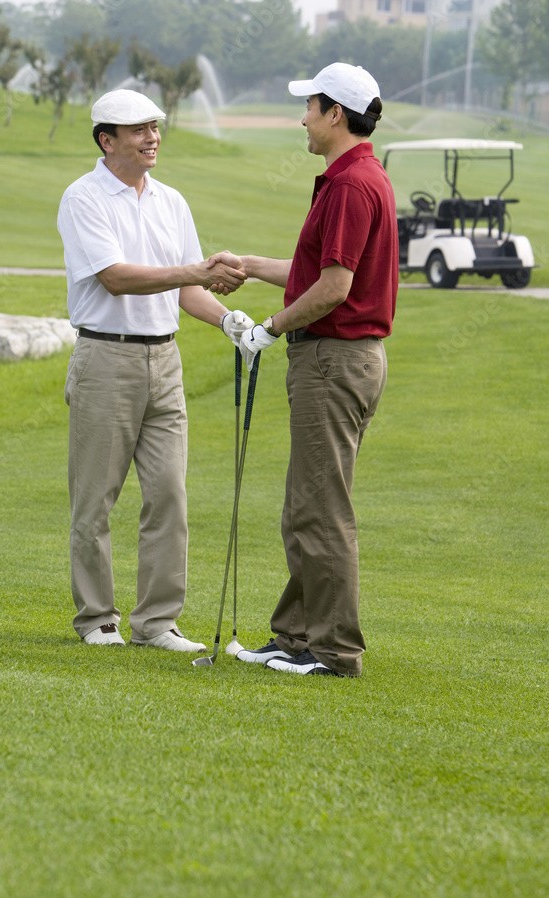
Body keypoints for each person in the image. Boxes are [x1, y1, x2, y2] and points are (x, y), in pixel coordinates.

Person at [209, 63, 398, 677]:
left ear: (334, 113)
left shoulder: (349, 185)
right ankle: (295, 636)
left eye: (309, 107)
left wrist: (271, 327)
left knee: (319, 507)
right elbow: (318, 267)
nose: (302, 118)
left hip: (332, 360)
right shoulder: (358, 175)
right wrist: (252, 264)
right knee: (308, 504)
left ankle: (334, 650)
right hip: (344, 361)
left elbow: (335, 289)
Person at [57, 90, 253, 650]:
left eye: (155, 127)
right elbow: (116, 277)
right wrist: (195, 269)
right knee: (95, 498)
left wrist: (230, 323)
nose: (152, 137)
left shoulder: (171, 200)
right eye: (138, 129)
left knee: (168, 493)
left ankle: (156, 623)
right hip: (105, 358)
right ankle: (98, 619)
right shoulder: (84, 198)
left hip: (164, 359)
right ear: (106, 139)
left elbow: (190, 290)